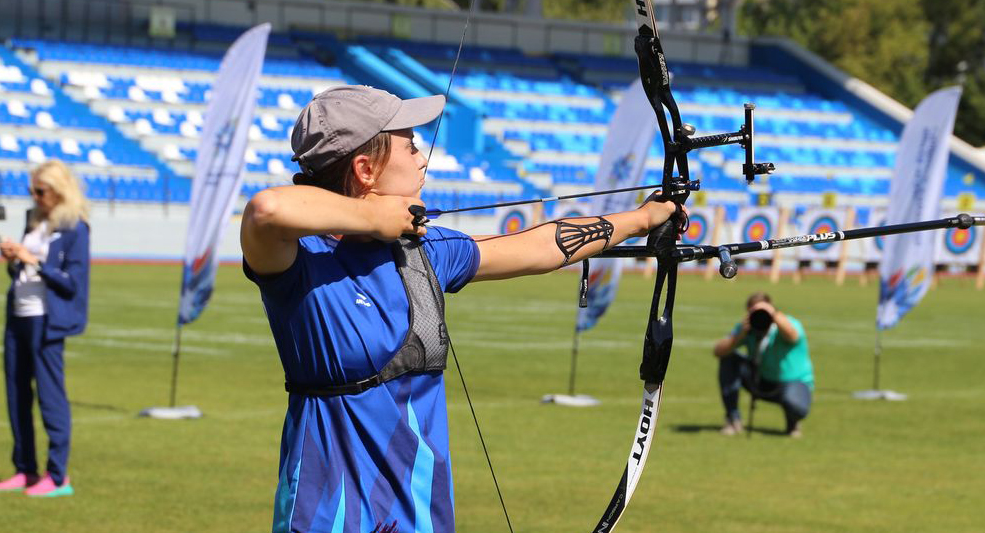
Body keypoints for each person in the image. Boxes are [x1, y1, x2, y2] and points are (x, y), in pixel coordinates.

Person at [240, 85, 686, 532]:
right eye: (409, 144)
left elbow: (537, 245)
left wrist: (643, 218)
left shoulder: (422, 251)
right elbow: (265, 211)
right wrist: (374, 217)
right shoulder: (302, 260)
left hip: (420, 517)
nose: (423, 157)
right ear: (365, 169)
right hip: (327, 516)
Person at [0, 159, 91, 497]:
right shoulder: (33, 221)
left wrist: (34, 260)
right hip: (17, 316)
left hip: (48, 321)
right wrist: (14, 259)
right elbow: (21, 273)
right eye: (32, 190)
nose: (34, 197)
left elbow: (72, 283)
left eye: (40, 191)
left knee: (50, 397)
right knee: (16, 394)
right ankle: (25, 469)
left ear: (59, 191)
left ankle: (58, 476)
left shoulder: (76, 229)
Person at [713, 292, 814, 438]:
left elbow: (792, 336)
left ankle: (793, 421)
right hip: (760, 380)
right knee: (730, 359)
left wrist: (773, 316)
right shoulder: (748, 328)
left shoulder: (787, 323)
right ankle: (733, 418)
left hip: (792, 382)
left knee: (796, 406)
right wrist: (739, 335)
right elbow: (718, 352)